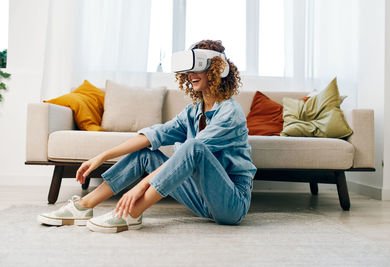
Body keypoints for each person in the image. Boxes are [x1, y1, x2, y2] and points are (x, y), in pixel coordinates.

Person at [37, 40, 257, 233]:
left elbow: (193, 150)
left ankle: (131, 213)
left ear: (216, 70)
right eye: (188, 69)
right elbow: (154, 135)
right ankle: (83, 207)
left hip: (231, 203)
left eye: (198, 67)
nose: (191, 74)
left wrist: (141, 186)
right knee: (145, 153)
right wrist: (101, 157)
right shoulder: (193, 112)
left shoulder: (230, 113)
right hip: (200, 198)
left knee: (193, 148)